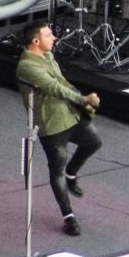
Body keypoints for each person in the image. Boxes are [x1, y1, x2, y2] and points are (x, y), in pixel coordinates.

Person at [16, 20, 103, 236]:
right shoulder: (27, 66)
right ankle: (68, 216)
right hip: (51, 124)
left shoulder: (47, 55)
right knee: (57, 169)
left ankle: (72, 174)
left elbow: (62, 82)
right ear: (36, 41)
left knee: (93, 142)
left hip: (69, 115)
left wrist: (81, 102)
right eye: (48, 35)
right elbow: (54, 88)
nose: (53, 37)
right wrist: (83, 99)